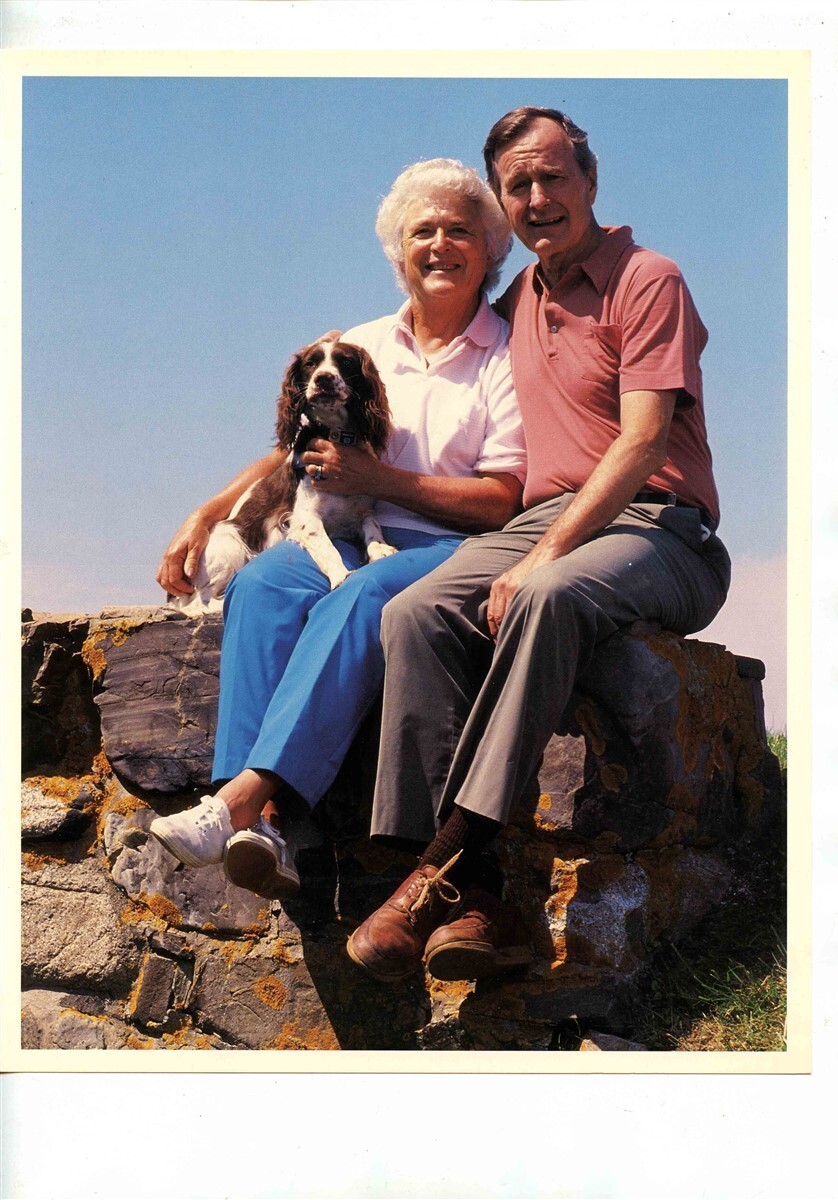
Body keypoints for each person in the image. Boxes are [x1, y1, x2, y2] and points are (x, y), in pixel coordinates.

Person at [346, 107, 732, 985]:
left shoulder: (647, 278)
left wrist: (540, 555)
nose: (536, 197)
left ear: (590, 181)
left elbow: (642, 444)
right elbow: (422, 351)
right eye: (516, 184)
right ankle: (476, 893)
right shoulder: (518, 298)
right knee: (415, 611)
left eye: (552, 176)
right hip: (545, 520)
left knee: (548, 594)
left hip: (661, 527)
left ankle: (439, 865)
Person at [150, 158, 526, 899]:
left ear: (489, 249)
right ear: (398, 253)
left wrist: (379, 481)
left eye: (459, 231)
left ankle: (239, 804)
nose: (440, 245)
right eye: (422, 232)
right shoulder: (361, 343)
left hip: (446, 543)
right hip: (342, 525)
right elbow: (292, 451)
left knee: (360, 596)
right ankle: (266, 832)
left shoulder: (509, 356)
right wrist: (208, 512)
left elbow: (504, 500)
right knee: (261, 585)